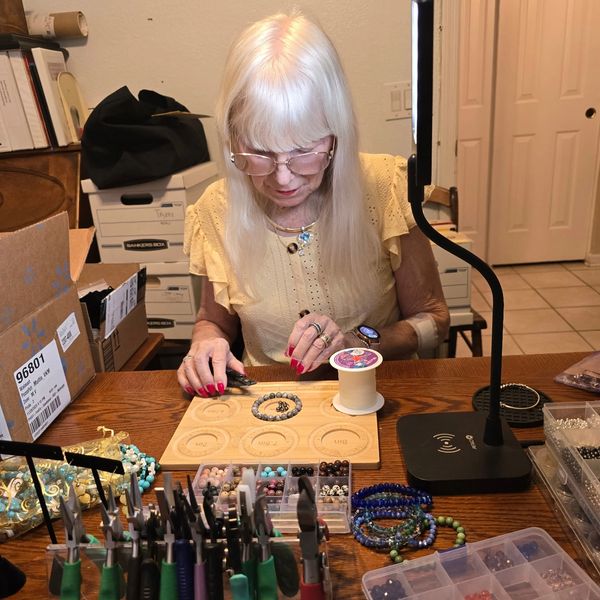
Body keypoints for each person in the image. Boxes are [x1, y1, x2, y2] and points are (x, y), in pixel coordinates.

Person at [177, 10, 450, 398]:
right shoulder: (215, 210)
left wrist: (358, 344)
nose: (282, 177)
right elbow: (214, 323)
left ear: (335, 136)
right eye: (258, 153)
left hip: (379, 397)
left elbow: (435, 321)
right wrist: (206, 342)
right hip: (269, 405)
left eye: (304, 151)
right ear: (232, 140)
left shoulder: (385, 188)